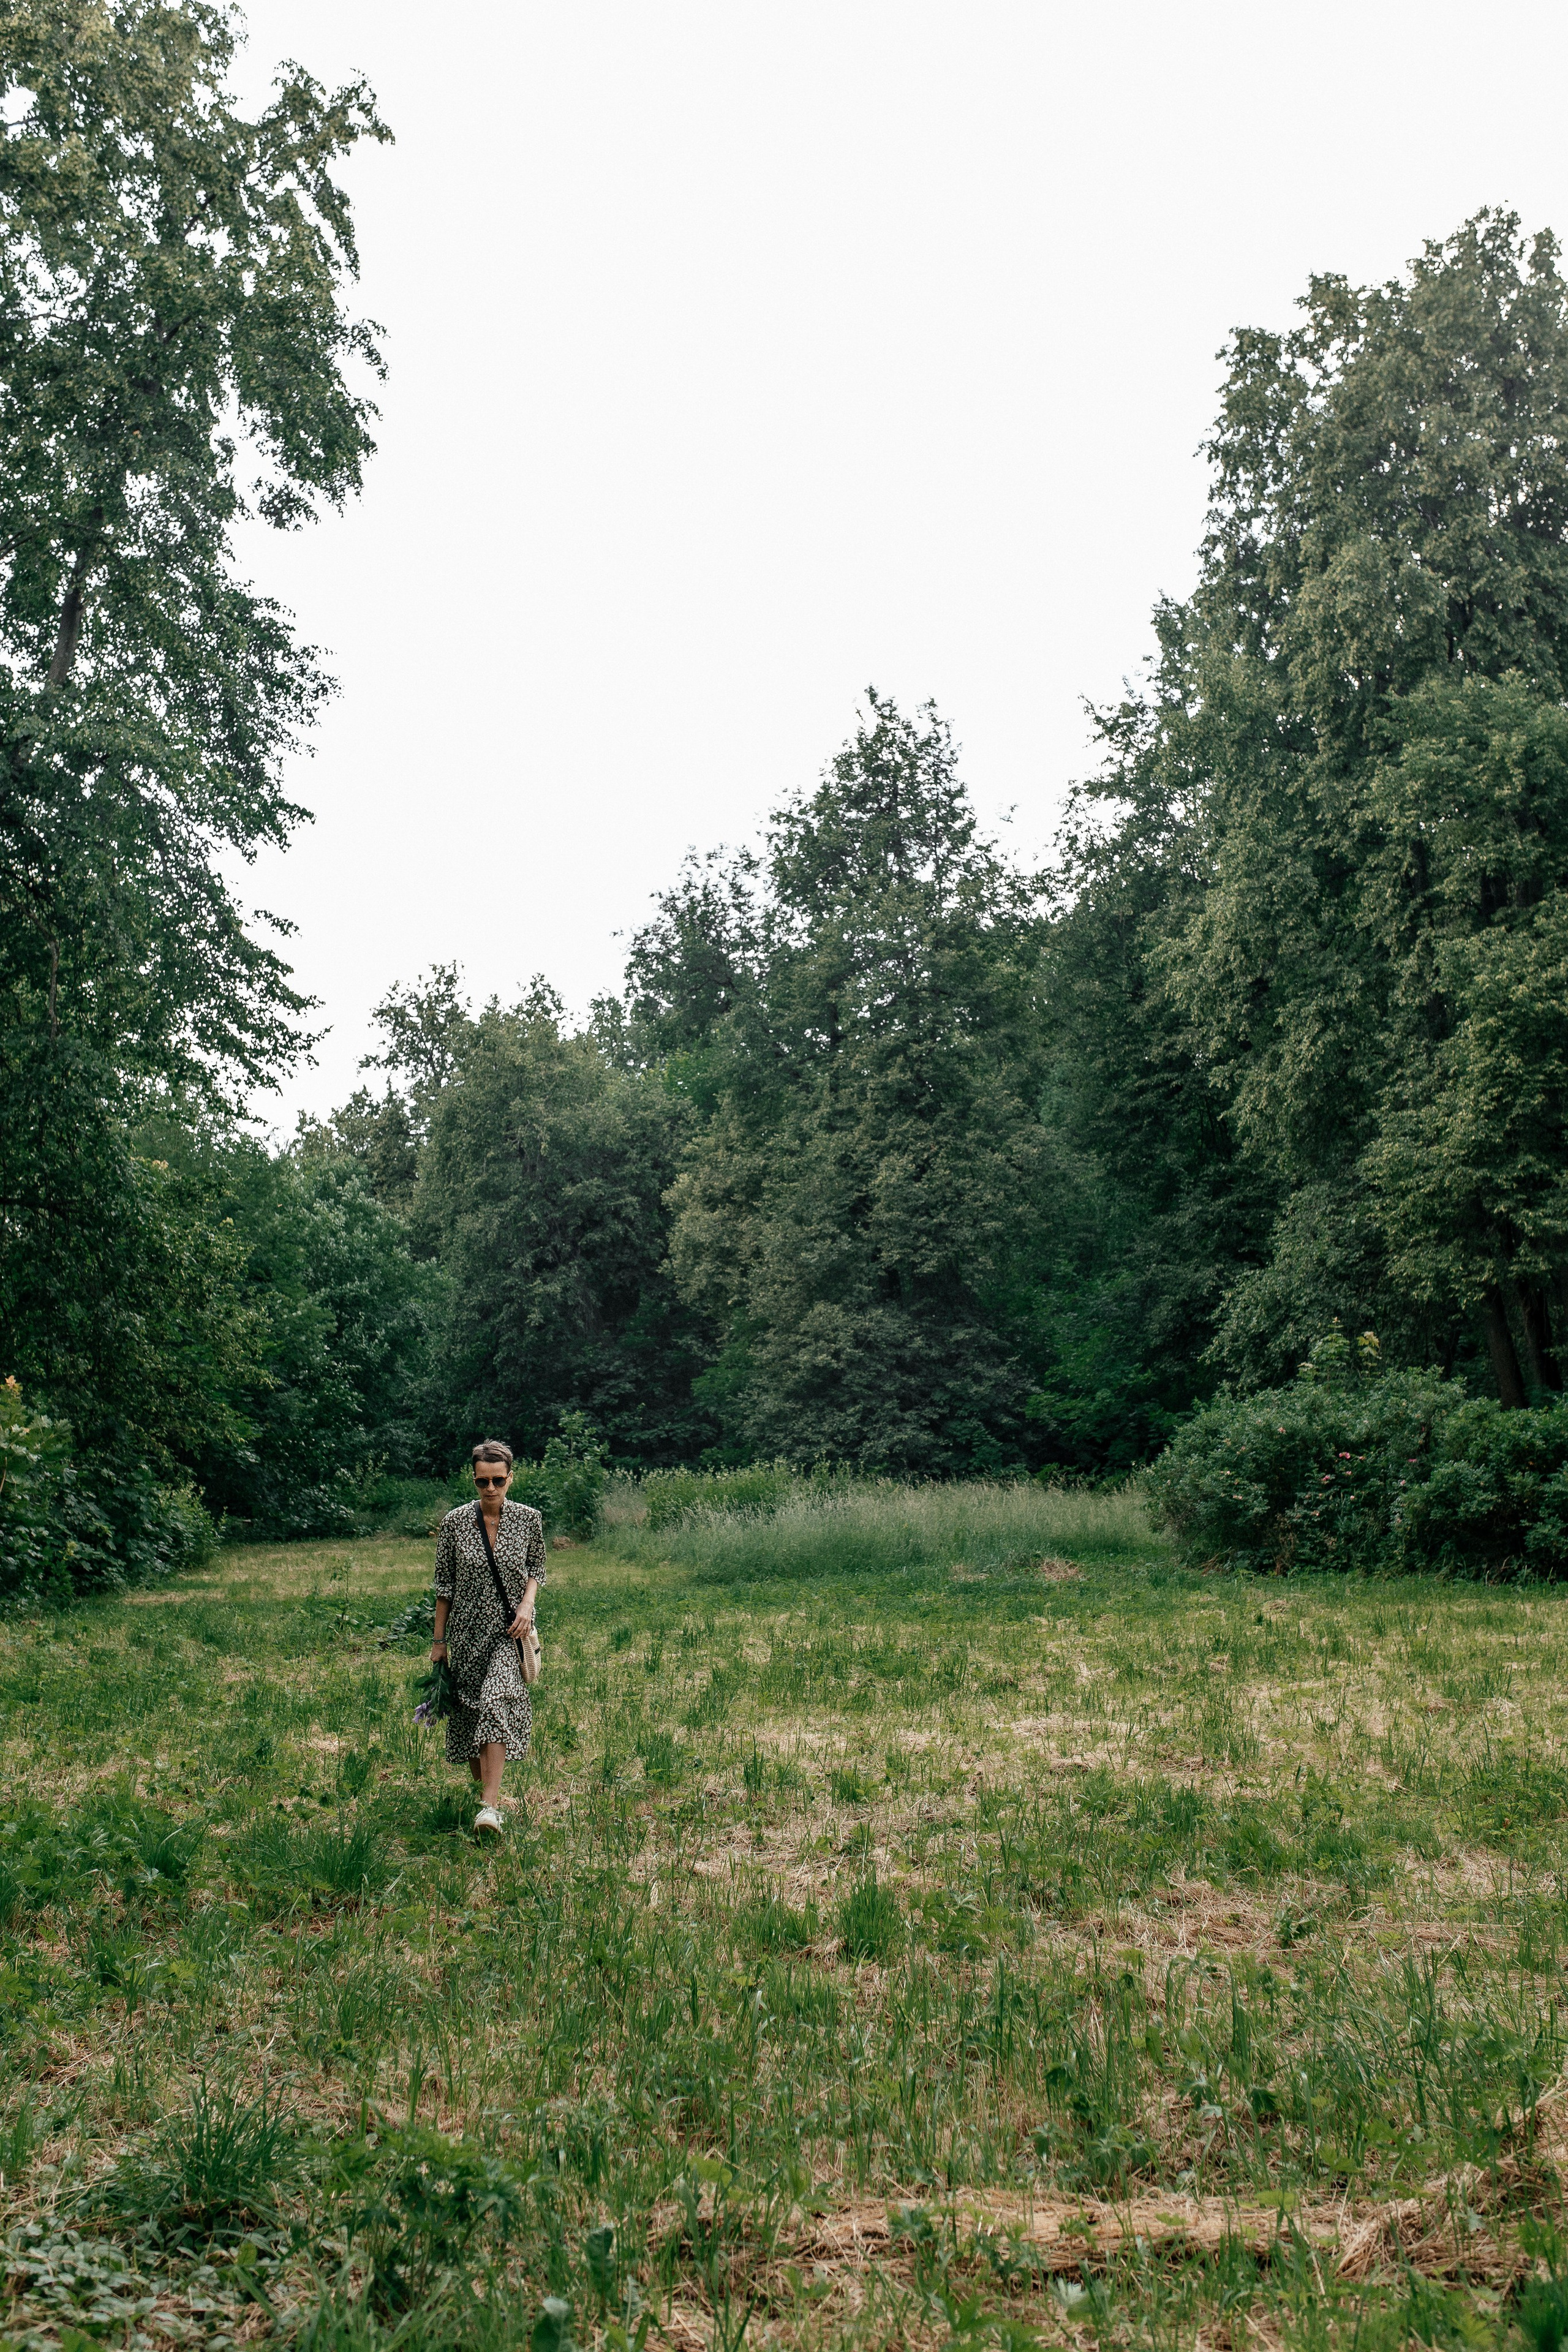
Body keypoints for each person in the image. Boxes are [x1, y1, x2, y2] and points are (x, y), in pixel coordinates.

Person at [431, 1441, 546, 1836]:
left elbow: (537, 1569)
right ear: (474, 1478)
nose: (491, 1488)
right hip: (465, 1635)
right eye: (483, 1481)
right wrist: (439, 1642)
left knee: (496, 1703)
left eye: (499, 1480)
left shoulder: (529, 1520)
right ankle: (486, 1795)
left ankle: (489, 1808)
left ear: (510, 1478)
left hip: (509, 1633)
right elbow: (444, 1587)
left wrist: (527, 1606)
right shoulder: (455, 1522)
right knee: (471, 1713)